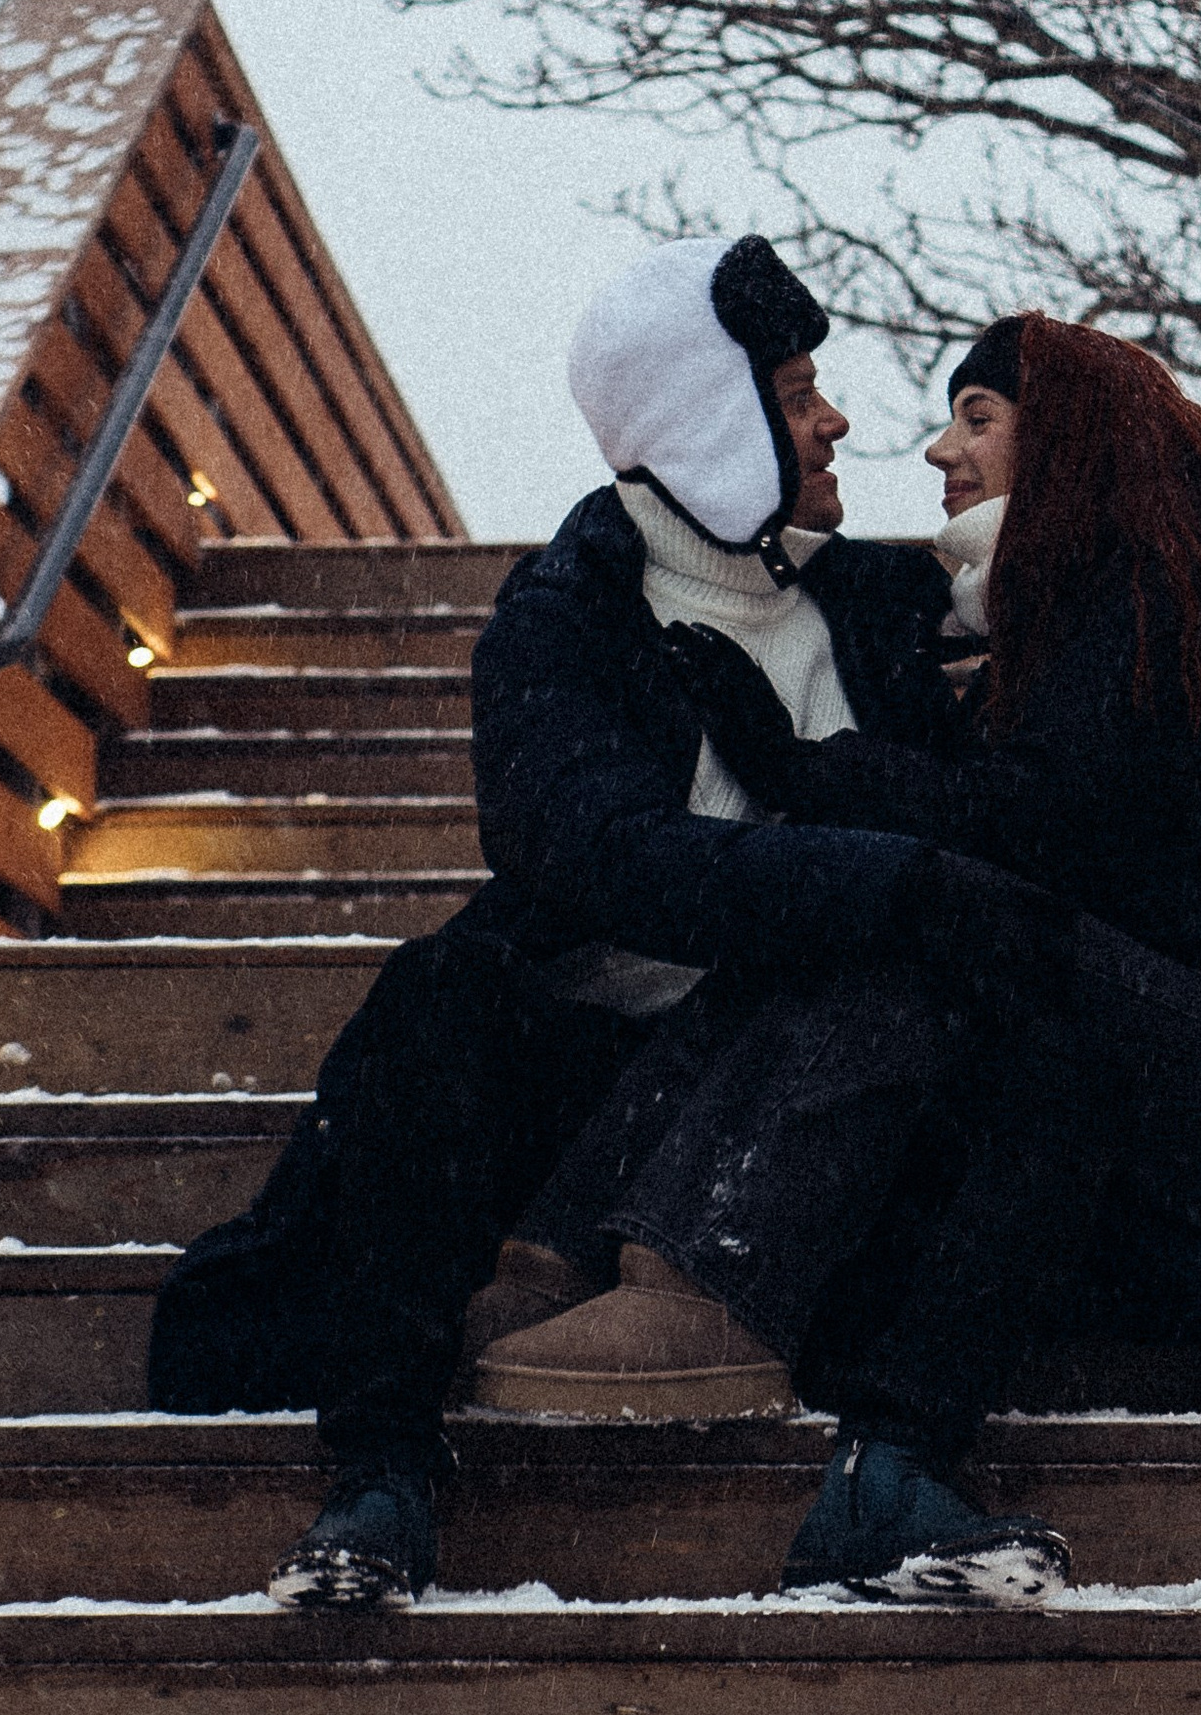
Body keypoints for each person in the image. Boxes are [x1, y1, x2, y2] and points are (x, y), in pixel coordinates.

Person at [478, 311, 1201, 1597]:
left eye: (978, 417)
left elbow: (1033, 830)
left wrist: (807, 770)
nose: (937, 448)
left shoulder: (1146, 596)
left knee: (914, 911)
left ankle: (703, 1284)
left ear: (1074, 435)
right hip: (1159, 1073)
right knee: (881, 931)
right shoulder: (1039, 621)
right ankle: (632, 1297)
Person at [149, 232, 995, 1606]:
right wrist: (878, 880)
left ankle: (889, 1457)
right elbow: (599, 858)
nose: (834, 418)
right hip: (588, 1073)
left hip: (824, 1090)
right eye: (791, 394)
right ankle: (381, 1476)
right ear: (709, 425)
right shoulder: (566, 623)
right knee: (434, 998)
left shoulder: (888, 609)